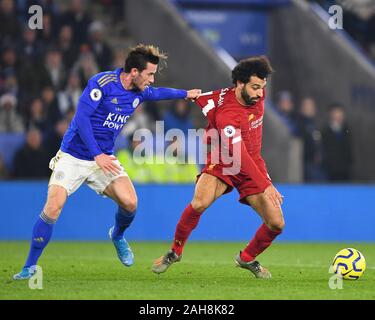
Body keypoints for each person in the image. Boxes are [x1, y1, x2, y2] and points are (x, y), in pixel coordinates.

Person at [13, 44, 201, 280]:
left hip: (103, 156)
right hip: (74, 155)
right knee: (53, 207)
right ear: (134, 72)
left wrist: (186, 94)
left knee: (130, 203)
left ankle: (117, 235)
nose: (152, 79)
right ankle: (30, 266)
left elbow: (159, 93)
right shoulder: (102, 84)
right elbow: (81, 119)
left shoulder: (140, 91)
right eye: (150, 74)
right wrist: (97, 154)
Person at [152, 56, 284, 279]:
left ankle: (247, 258)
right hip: (226, 160)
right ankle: (175, 252)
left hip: (253, 162)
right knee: (200, 202)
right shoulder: (226, 115)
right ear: (239, 84)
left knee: (276, 223)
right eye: (255, 88)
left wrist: (262, 179)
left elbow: (248, 156)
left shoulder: (256, 95)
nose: (260, 94)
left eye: (262, 88)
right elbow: (239, 155)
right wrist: (266, 185)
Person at [321, 103, 353, 182]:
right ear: (331, 114)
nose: (338, 115)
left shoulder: (347, 130)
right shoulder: (325, 131)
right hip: (330, 169)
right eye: (336, 113)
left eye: (340, 113)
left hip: (345, 168)